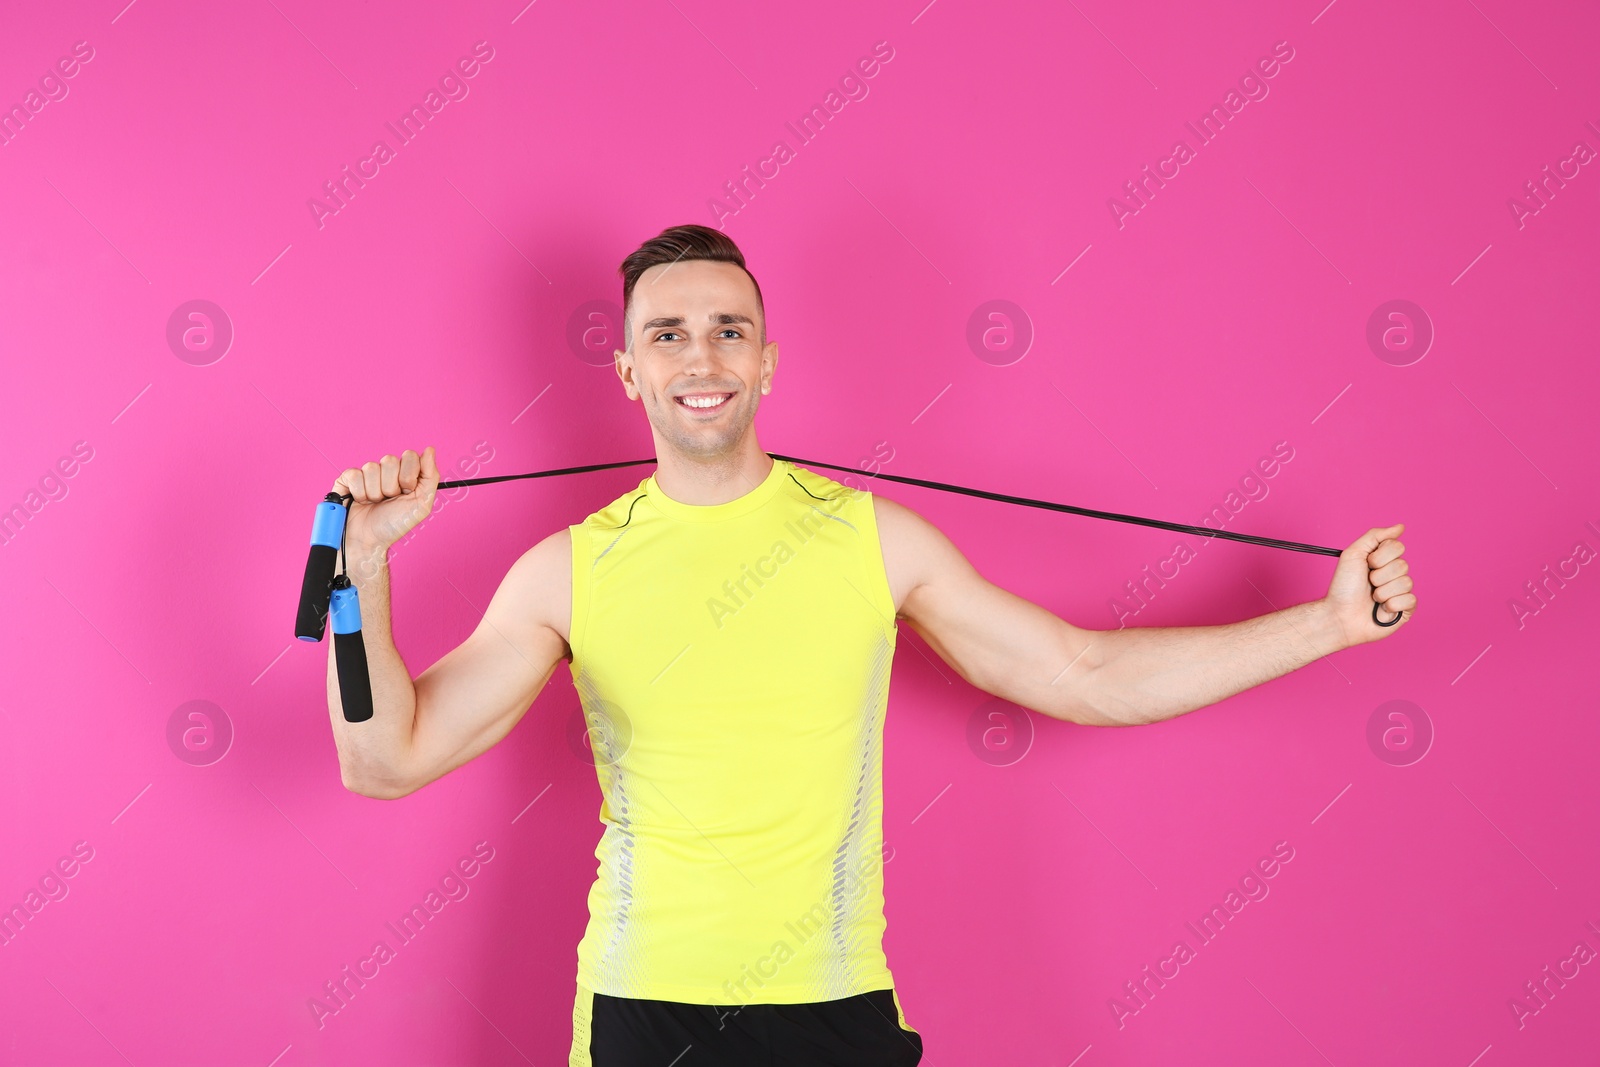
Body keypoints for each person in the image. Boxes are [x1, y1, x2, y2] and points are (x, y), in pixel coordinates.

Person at [324, 224, 1417, 1066]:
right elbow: (385, 759)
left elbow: (1082, 673)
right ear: (627, 371)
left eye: (726, 329)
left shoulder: (870, 540)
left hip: (834, 1005)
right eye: (666, 333)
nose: (699, 355)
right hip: (640, 1009)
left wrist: (1325, 622)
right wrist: (361, 569)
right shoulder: (565, 569)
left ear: (766, 362)